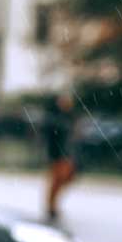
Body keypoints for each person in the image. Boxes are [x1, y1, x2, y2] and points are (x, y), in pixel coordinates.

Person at [43, 90, 79, 222]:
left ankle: (53, 205)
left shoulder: (70, 117)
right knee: (57, 180)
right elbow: (52, 137)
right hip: (58, 154)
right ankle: (51, 206)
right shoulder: (55, 118)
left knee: (65, 179)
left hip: (67, 154)